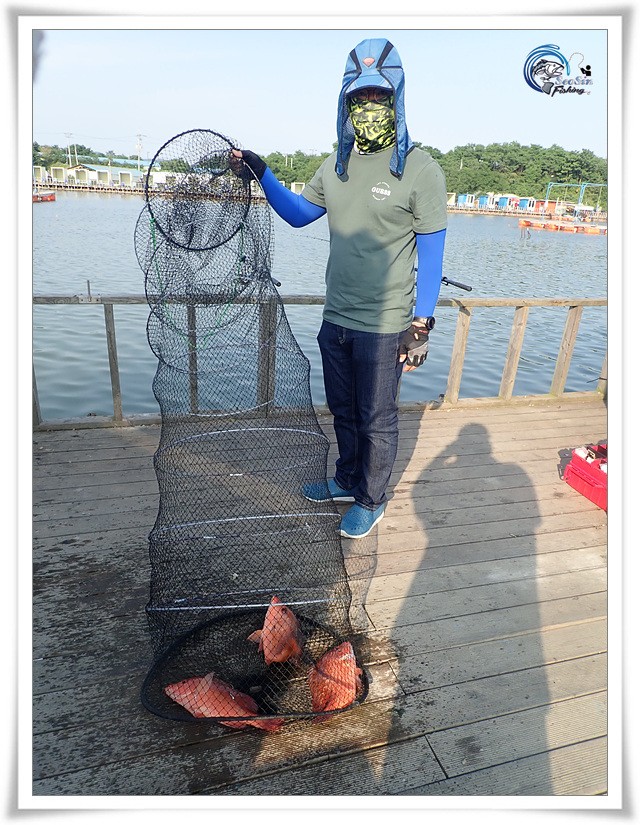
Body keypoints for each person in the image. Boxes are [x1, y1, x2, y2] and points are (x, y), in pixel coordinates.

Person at [232, 38, 447, 539]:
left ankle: (371, 499)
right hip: (337, 319)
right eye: (359, 97)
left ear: (396, 98)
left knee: (377, 418)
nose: (369, 106)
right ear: (345, 102)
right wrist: (262, 172)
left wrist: (421, 325)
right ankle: (348, 479)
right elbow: (298, 214)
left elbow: (433, 255)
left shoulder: (421, 168)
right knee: (344, 410)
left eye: (379, 96)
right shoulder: (336, 164)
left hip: (386, 324)